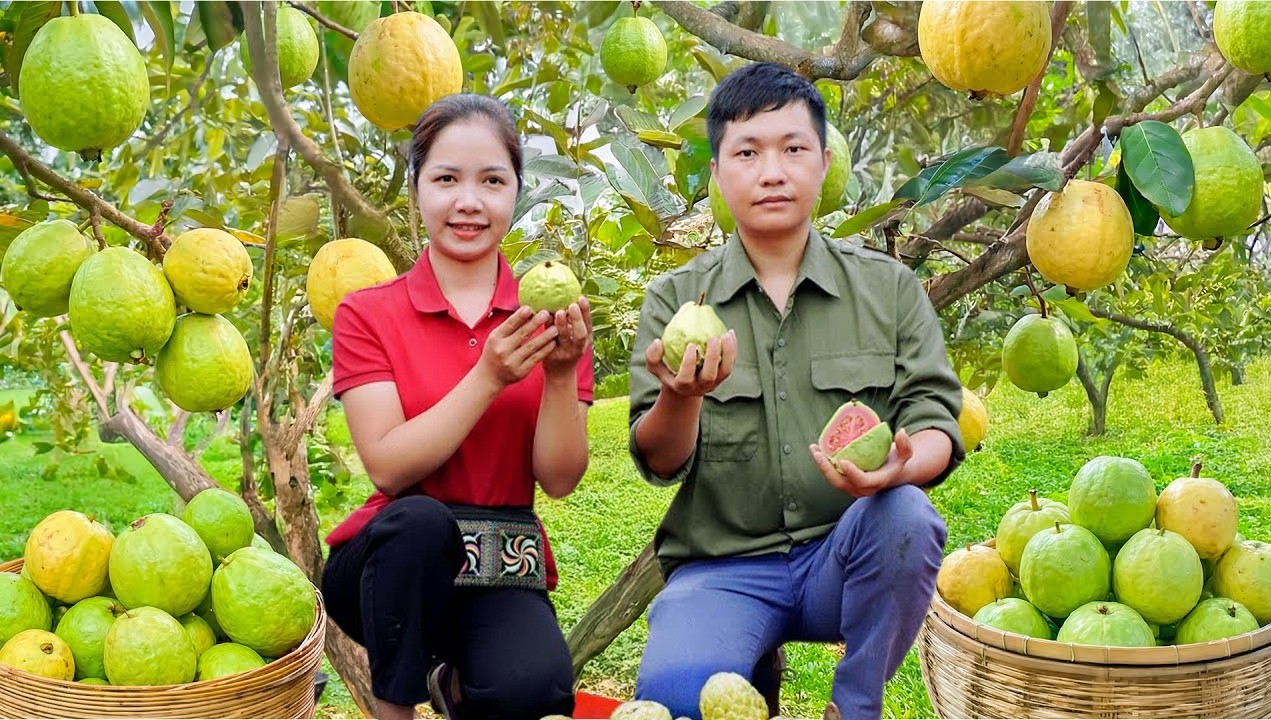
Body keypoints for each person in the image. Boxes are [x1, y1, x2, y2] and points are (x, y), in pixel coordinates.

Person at [627, 62, 965, 720]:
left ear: (822, 161)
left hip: (845, 556)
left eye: (793, 149)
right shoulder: (673, 301)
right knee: (676, 704)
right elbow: (658, 460)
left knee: (907, 517)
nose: (772, 171)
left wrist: (900, 467)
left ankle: (854, 706)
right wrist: (682, 397)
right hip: (721, 570)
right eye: (747, 152)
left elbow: (935, 420)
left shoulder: (888, 289)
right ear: (718, 172)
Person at [319, 93, 594, 720]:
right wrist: (488, 376)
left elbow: (558, 478)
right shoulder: (368, 313)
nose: (469, 201)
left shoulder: (550, 314)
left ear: (515, 193)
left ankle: (456, 683)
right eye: (446, 179)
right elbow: (388, 468)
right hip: (385, 569)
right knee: (419, 522)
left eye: (492, 181)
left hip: (500, 563)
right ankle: (396, 709)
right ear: (417, 187)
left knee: (533, 691)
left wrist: (556, 375)